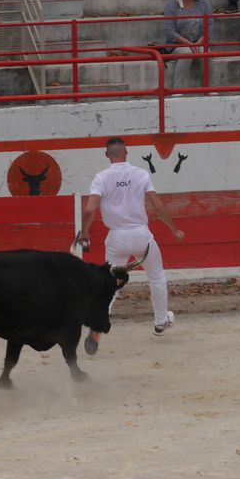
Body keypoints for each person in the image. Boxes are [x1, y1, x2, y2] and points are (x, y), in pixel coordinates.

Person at [78, 137, 184, 347]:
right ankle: (161, 322)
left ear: (107, 155)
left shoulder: (101, 178)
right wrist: (174, 229)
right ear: (127, 152)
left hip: (116, 237)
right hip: (141, 235)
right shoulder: (141, 174)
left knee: (111, 284)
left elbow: (90, 209)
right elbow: (158, 205)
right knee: (156, 276)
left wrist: (85, 233)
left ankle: (98, 325)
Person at [163, 0, 213, 89]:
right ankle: (177, 89)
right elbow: (170, 32)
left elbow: (209, 28)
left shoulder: (203, 4)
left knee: (207, 53)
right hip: (176, 45)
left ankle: (209, 88)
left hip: (199, 42)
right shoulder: (171, 5)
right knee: (187, 52)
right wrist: (190, 44)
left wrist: (198, 43)